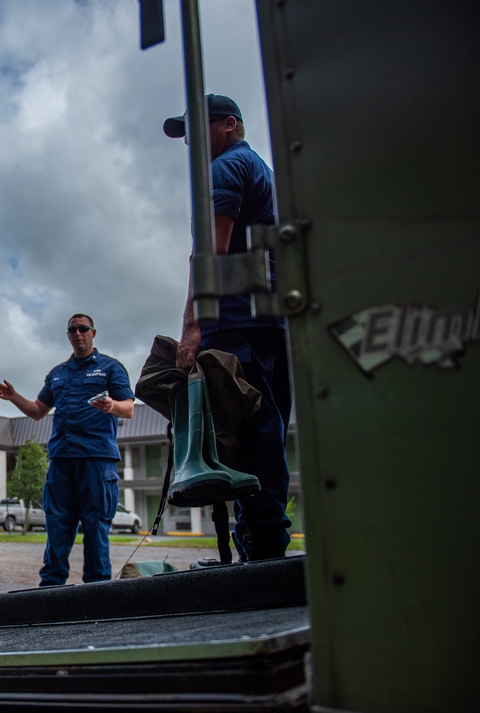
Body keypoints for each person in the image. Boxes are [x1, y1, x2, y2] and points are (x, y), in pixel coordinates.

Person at [162, 93, 292, 560]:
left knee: (249, 437)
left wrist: (192, 326)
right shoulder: (261, 170)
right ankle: (264, 544)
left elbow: (209, 257)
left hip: (235, 324)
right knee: (265, 432)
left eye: (198, 129)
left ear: (229, 125)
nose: (190, 143)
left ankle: (260, 550)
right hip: (269, 325)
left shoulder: (224, 170)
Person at [0, 314, 135, 586]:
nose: (78, 333)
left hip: (96, 459)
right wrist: (14, 397)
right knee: (58, 525)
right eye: (73, 329)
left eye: (83, 328)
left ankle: (97, 589)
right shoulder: (58, 373)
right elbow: (37, 411)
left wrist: (111, 406)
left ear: (94, 332)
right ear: (68, 335)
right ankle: (51, 589)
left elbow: (128, 408)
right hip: (61, 460)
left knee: (95, 527)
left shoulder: (110, 368)